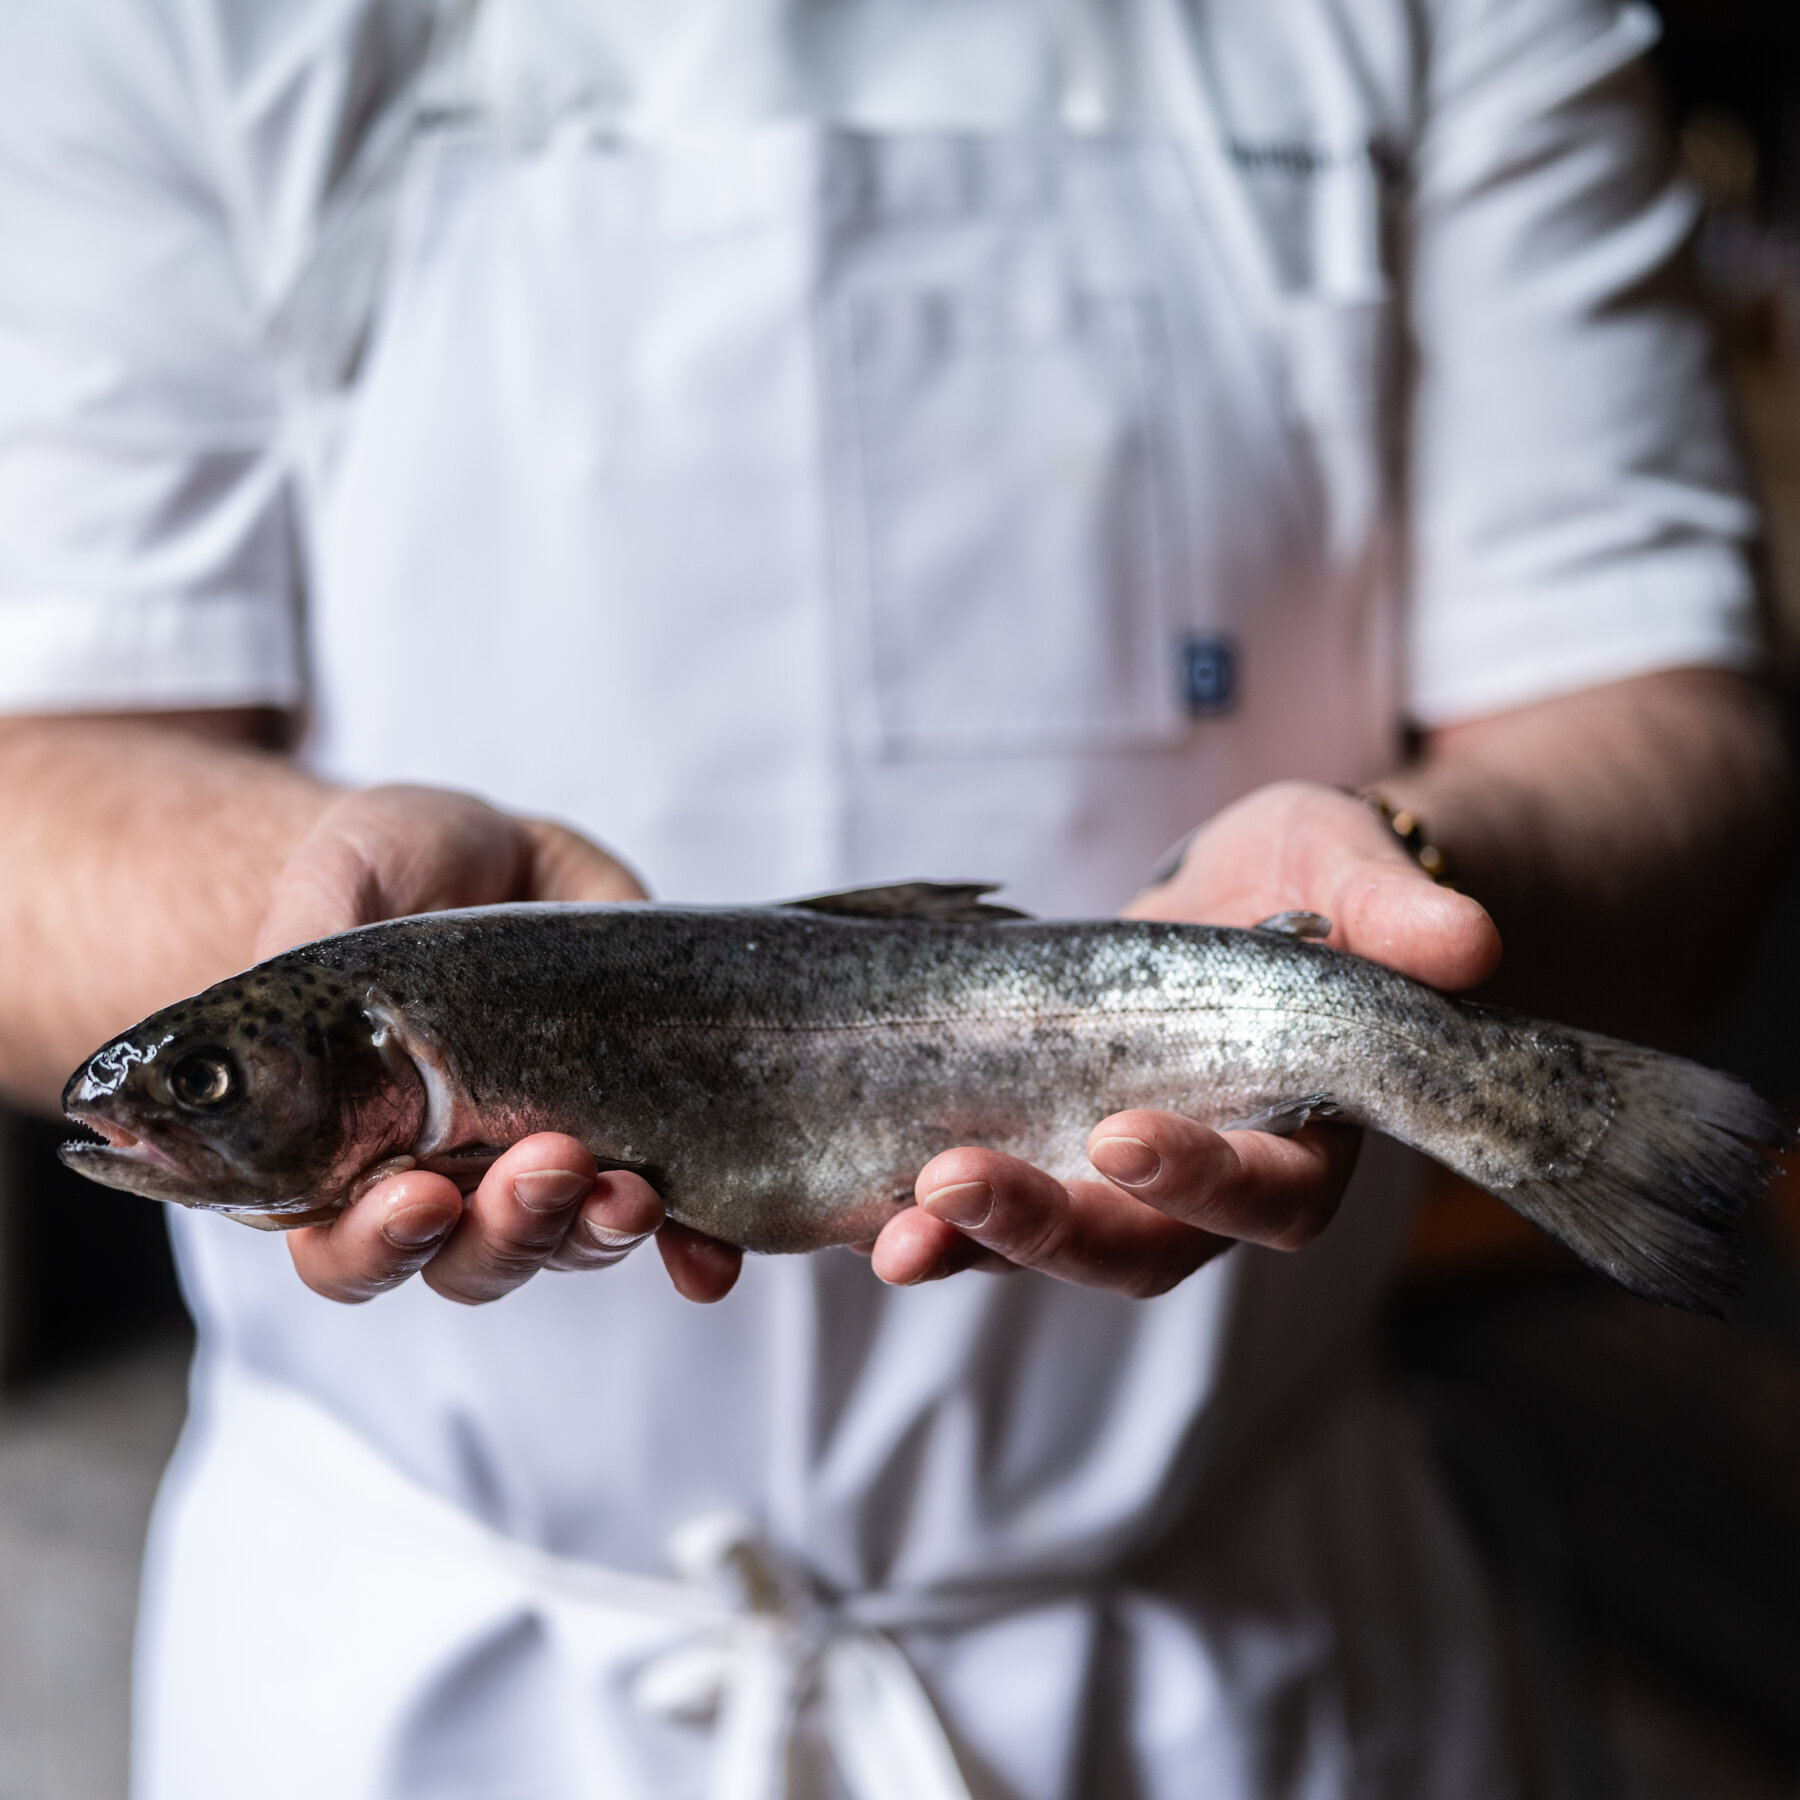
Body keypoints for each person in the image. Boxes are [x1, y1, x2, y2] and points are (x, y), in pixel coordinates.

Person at [0, 0, 1786, 1794]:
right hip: (418, 1671)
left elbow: (1673, 730)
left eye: (208, 1080)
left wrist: (1405, 883)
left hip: (1241, 1657)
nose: (181, 1103)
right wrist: (310, 896)